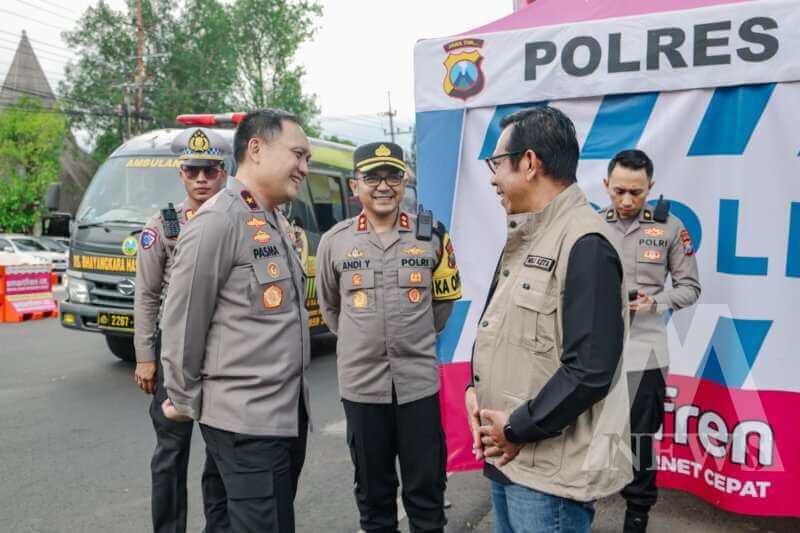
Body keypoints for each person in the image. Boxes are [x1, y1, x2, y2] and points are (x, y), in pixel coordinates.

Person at [466, 106, 631, 533]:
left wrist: (517, 427)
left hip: (547, 478)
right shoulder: (528, 236)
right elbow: (500, 328)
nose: (492, 177)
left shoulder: (585, 242)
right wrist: (473, 389)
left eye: (496, 164)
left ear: (529, 163)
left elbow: (591, 370)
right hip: (508, 460)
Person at [159, 109, 312, 533]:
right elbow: (183, 320)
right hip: (247, 425)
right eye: (298, 154)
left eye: (307, 158)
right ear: (257, 149)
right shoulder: (217, 221)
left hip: (282, 416)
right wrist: (186, 397)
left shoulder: (272, 219)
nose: (304, 167)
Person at [316, 141, 461, 533]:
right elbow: (331, 308)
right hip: (362, 389)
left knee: (427, 494)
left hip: (418, 387)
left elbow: (442, 306)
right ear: (354, 186)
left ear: (405, 182)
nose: (383, 185)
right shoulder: (335, 241)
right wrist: (362, 339)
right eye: (372, 177)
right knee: (374, 498)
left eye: (393, 175)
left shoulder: (431, 236)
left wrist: (409, 337)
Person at [133, 126, 229, 533]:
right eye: (193, 171)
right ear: (181, 175)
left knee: (223, 455)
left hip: (225, 356)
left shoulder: (234, 218)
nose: (202, 179)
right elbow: (146, 294)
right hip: (173, 358)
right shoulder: (164, 224)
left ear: (223, 172)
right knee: (171, 456)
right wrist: (144, 358)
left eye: (209, 171)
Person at [601, 149, 701, 533]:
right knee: (588, 432)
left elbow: (691, 287)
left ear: (651, 188)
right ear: (606, 185)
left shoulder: (671, 227)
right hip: (596, 353)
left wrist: (655, 302)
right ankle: (582, 506)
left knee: (640, 438)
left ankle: (637, 514)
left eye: (637, 193)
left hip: (646, 352)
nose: (627, 201)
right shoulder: (590, 225)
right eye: (620, 191)